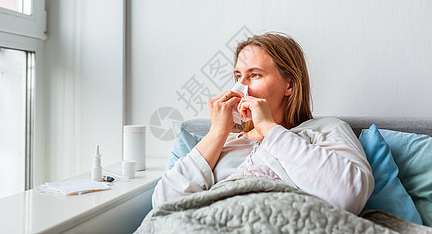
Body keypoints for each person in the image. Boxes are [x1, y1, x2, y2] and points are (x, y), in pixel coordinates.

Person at [152, 32, 374, 215]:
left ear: (290, 85)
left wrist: (269, 128)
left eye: (254, 75)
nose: (239, 89)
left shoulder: (327, 130)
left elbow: (348, 196)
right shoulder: (224, 143)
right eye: (238, 76)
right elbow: (163, 204)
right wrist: (217, 132)